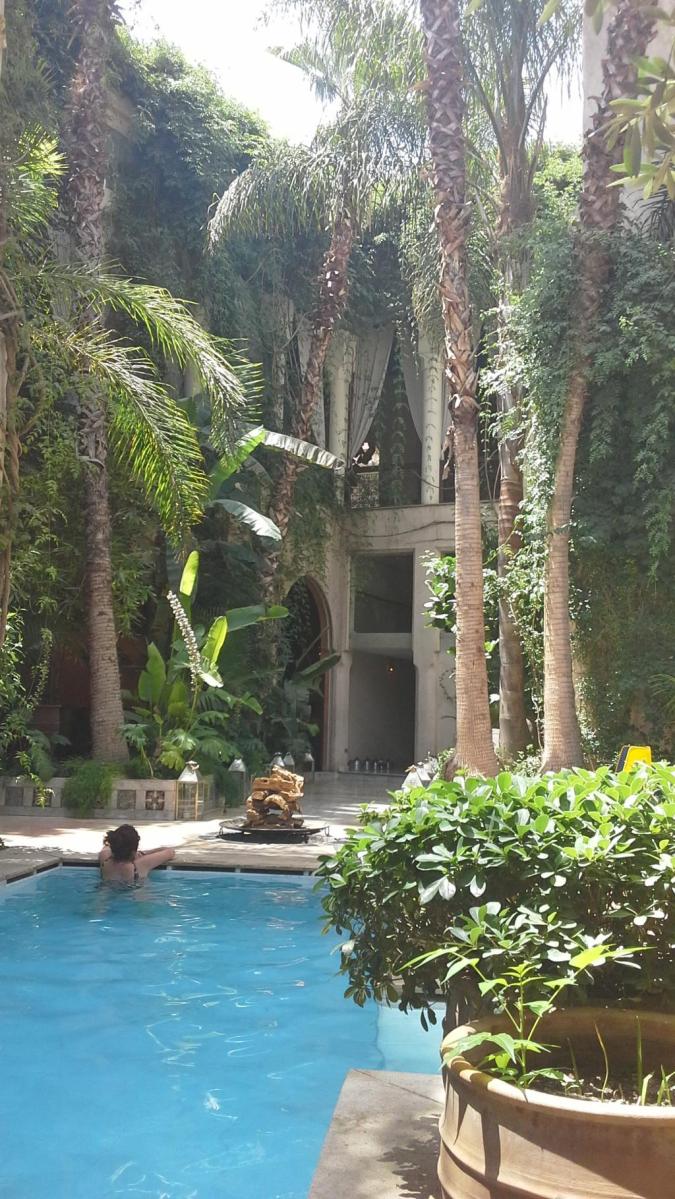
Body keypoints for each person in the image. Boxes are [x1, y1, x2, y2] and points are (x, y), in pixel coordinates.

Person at [99, 824, 175, 885]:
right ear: (133, 851)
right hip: (134, 896)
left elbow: (106, 846)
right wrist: (144, 853)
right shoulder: (140, 864)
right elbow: (170, 852)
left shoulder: (104, 859)